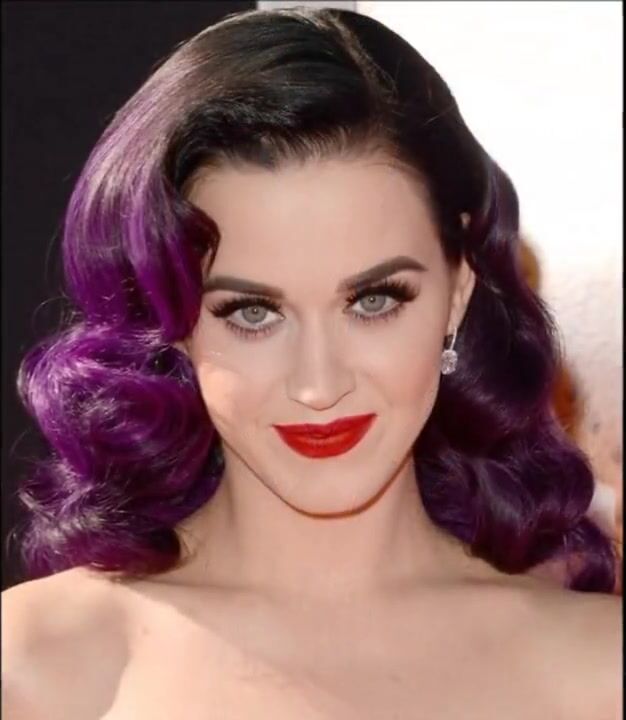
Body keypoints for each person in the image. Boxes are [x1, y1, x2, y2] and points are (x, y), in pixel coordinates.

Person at [2, 6, 621, 719]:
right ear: (171, 321)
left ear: (457, 291)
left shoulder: (600, 673)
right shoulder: (34, 669)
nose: (318, 385)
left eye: (375, 301)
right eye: (252, 313)